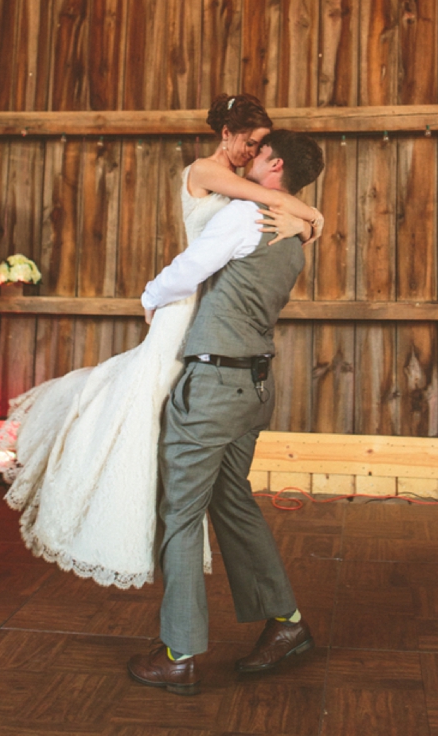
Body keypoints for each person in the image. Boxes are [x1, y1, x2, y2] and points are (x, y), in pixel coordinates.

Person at [0, 94, 323, 590]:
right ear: (226, 133)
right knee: (145, 396)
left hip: (210, 307)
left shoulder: (248, 200)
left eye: (259, 148)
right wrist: (312, 219)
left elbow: (274, 202)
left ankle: (162, 507)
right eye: (248, 142)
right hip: (189, 300)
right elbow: (278, 199)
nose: (250, 152)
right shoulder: (207, 171)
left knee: (163, 410)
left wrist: (305, 220)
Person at [127, 129, 325, 696]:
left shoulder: (246, 216)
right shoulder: (293, 233)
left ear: (275, 163)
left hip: (213, 386)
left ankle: (179, 652)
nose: (247, 162)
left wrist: (148, 297)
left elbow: (189, 268)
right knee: (232, 501)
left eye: (257, 155)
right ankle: (285, 623)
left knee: (181, 513)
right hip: (256, 386)